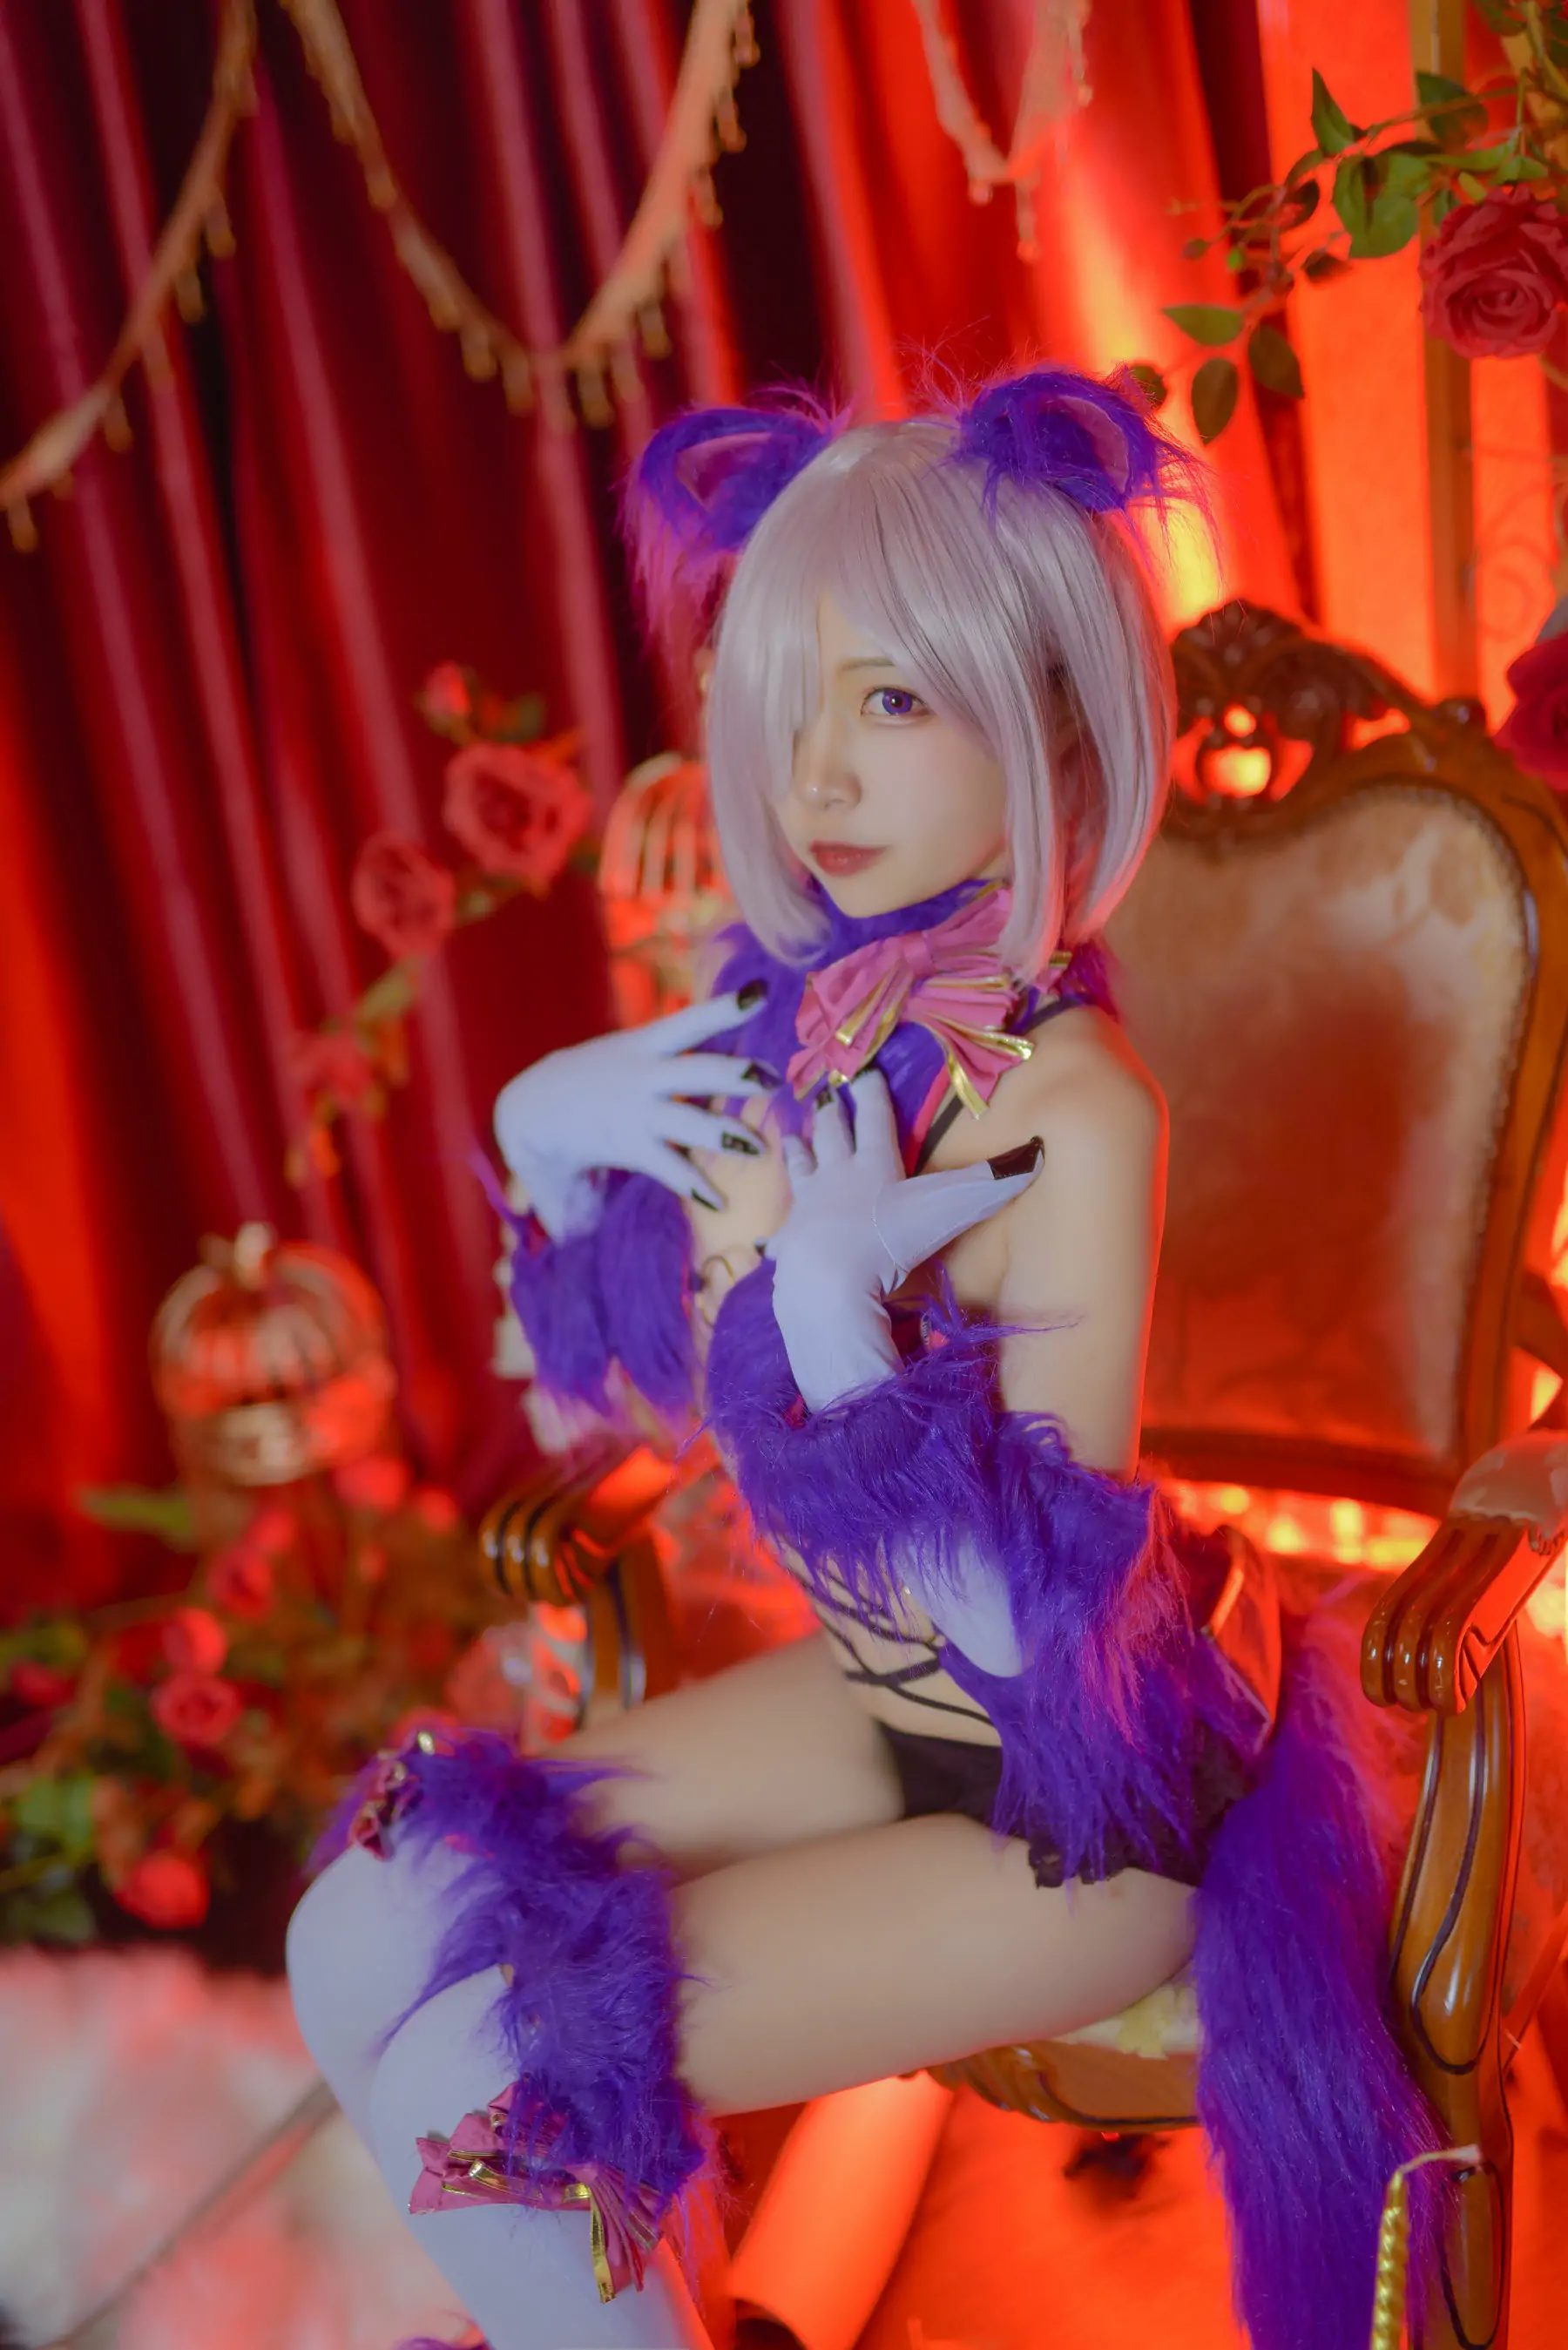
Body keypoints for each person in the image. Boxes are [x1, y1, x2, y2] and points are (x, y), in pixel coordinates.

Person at [287, 369, 1436, 2350]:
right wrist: (545, 1147)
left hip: (1081, 1804)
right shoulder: (797, 1025)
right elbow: (615, 1399)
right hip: (881, 1705)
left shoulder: (1078, 1108)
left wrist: (842, 1345)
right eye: (789, 700)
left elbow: (1036, 1643)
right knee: (360, 1917)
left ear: (1050, 724)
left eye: (891, 701)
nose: (818, 772)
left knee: (494, 2062)